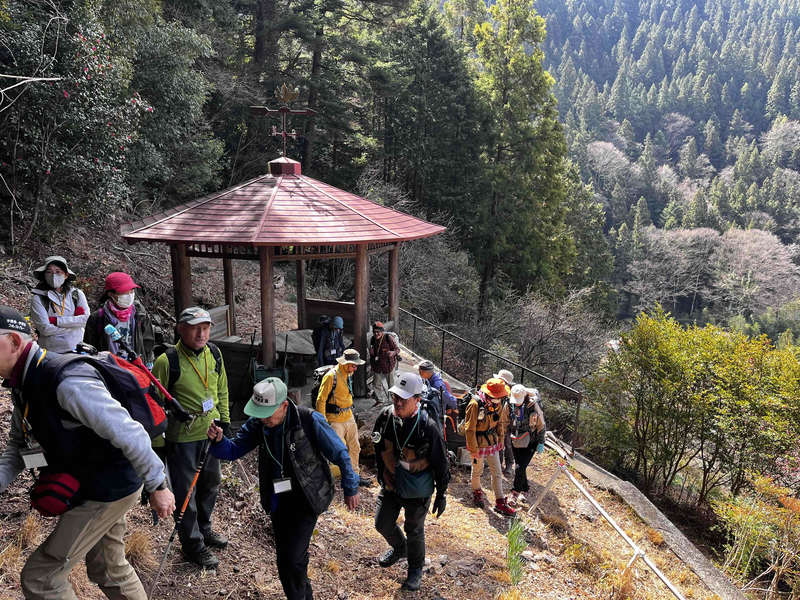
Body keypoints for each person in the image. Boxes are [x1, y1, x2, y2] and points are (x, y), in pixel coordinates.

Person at [0, 305, 175, 599]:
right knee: (107, 567)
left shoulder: (66, 382)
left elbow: (129, 432)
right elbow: (18, 448)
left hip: (107, 489)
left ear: (15, 343)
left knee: (42, 578)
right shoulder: (23, 384)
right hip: (100, 479)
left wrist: (158, 485)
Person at [207, 378, 360, 600]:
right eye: (260, 413)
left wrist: (350, 487)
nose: (263, 418)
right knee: (286, 560)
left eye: (268, 413)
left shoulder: (308, 420)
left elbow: (340, 453)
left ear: (284, 406)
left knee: (292, 559)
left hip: (307, 498)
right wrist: (220, 441)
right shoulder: (260, 423)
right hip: (279, 500)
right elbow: (233, 450)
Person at [151, 307, 231, 569]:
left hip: (210, 431)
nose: (202, 333)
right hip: (182, 437)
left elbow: (222, 389)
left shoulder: (215, 354)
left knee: (211, 482)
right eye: (195, 327)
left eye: (206, 327)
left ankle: (205, 528)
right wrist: (158, 445)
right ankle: (192, 544)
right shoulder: (168, 361)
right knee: (187, 494)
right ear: (180, 329)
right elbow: (153, 406)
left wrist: (225, 421)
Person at [372, 373, 450, 592]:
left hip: (418, 490)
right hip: (391, 483)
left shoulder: (428, 427)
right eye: (396, 396)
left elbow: (441, 464)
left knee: (414, 530)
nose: (398, 403)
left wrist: (442, 494)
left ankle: (415, 569)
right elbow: (378, 447)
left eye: (404, 399)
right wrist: (381, 473)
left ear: (417, 399)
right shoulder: (385, 417)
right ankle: (400, 548)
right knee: (382, 523)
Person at [316, 348, 372, 487]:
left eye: (356, 365)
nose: (355, 368)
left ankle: (355, 476)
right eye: (353, 365)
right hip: (334, 419)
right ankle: (335, 477)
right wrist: (323, 423)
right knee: (338, 451)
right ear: (345, 363)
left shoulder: (348, 374)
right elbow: (320, 400)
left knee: (355, 447)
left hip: (349, 416)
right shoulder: (331, 376)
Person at [84, 272, 156, 368]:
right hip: (111, 370)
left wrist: (149, 364)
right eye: (124, 293)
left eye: (131, 291)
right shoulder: (98, 318)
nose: (129, 296)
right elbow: (90, 350)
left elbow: (148, 343)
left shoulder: (140, 314)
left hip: (137, 369)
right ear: (111, 294)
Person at [465, 377, 515, 516]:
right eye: (496, 397)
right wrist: (474, 450)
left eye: (500, 397)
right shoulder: (475, 404)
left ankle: (500, 502)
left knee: (497, 472)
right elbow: (470, 429)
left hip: (492, 442)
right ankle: (477, 493)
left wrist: (500, 439)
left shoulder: (497, 405)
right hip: (477, 443)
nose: (499, 399)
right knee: (477, 471)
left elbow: (499, 422)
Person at [29, 255, 90, 353]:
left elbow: (86, 320)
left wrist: (56, 321)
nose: (54, 275)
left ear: (66, 275)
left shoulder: (77, 295)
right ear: (44, 275)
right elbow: (45, 329)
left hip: (77, 350)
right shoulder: (38, 298)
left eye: (58, 272)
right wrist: (75, 325)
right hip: (51, 353)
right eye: (49, 272)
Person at [501, 385, 547, 507]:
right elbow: (504, 421)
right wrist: (501, 437)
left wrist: (541, 442)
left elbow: (541, 424)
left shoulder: (533, 405)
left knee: (519, 467)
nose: (516, 404)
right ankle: (525, 488)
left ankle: (514, 493)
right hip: (515, 439)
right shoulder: (509, 404)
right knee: (520, 466)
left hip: (531, 441)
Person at [369, 321, 399, 405]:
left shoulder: (388, 338)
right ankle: (379, 400)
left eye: (378, 332)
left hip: (388, 365)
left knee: (391, 385)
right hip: (377, 365)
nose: (376, 334)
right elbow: (372, 355)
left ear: (382, 332)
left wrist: (392, 353)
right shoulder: (372, 339)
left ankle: (394, 402)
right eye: (374, 332)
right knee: (376, 383)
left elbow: (397, 349)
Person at [493, 369, 516, 477]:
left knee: (508, 444)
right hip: (495, 422)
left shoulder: (511, 395)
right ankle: (498, 463)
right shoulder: (494, 390)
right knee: (497, 443)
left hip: (507, 424)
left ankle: (509, 465)